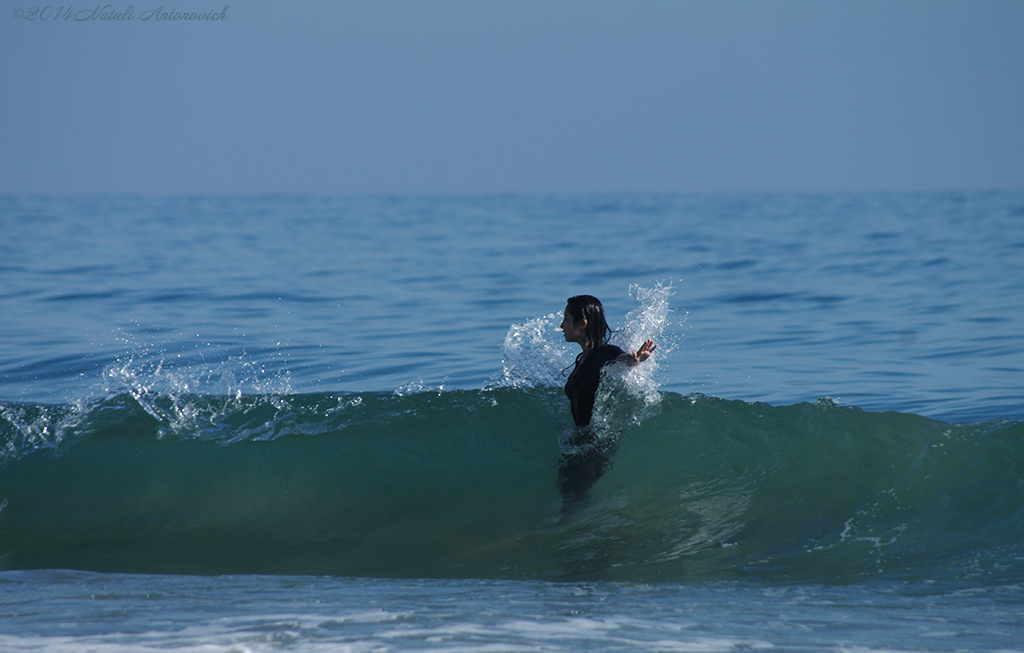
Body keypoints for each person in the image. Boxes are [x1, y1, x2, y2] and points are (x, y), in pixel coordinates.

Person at [557, 295, 656, 513]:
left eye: (565, 319)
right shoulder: (583, 359)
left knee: (575, 493)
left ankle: (579, 531)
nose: (561, 325)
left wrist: (635, 360)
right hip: (582, 437)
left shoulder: (605, 352)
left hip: (597, 439)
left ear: (582, 323)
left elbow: (622, 360)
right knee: (569, 492)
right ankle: (582, 529)